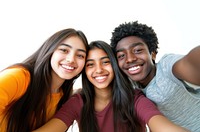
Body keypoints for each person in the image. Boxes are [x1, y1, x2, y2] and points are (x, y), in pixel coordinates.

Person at [33, 40, 189, 132]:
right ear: (84, 70)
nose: (99, 70)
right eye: (90, 64)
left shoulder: (134, 98)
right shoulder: (78, 102)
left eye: (105, 62)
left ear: (114, 65)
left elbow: (162, 125)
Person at [110, 21, 200, 132]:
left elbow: (190, 64)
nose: (130, 59)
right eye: (121, 55)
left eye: (138, 50)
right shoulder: (132, 89)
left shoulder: (166, 67)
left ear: (152, 53)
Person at [0, 28, 89, 132]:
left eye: (80, 55)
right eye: (64, 50)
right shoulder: (19, 77)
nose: (71, 59)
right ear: (50, 50)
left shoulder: (65, 97)